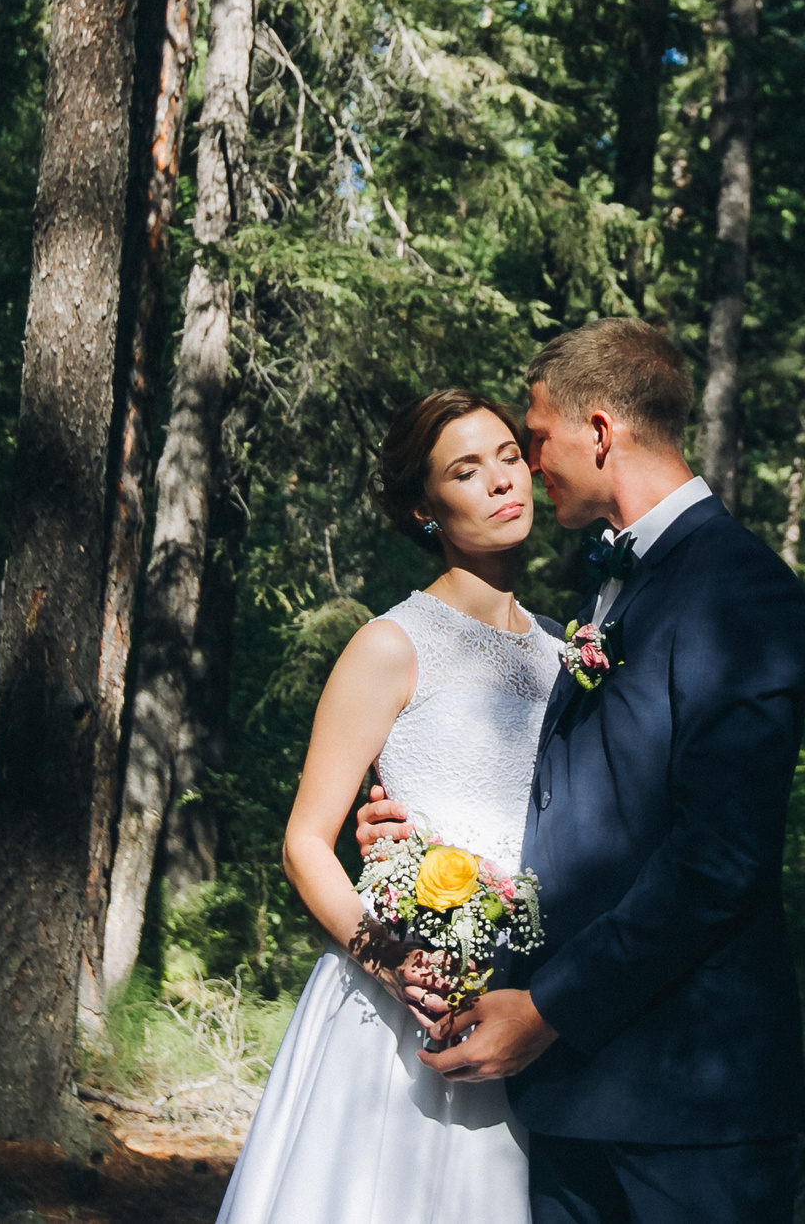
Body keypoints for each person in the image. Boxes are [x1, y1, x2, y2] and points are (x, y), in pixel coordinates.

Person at [358, 318, 805, 1224]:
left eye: (534, 439)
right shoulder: (602, 591)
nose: (529, 466)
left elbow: (718, 859)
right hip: (568, 1097)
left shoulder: (742, 590)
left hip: (689, 1106)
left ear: (600, 432)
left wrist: (550, 1009)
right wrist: (403, 833)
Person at [215, 388, 560, 1224]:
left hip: (525, 1009)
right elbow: (305, 840)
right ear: (422, 508)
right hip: (399, 1001)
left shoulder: (564, 650)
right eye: (466, 471)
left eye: (509, 457)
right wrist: (391, 958)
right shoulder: (390, 643)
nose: (501, 483)